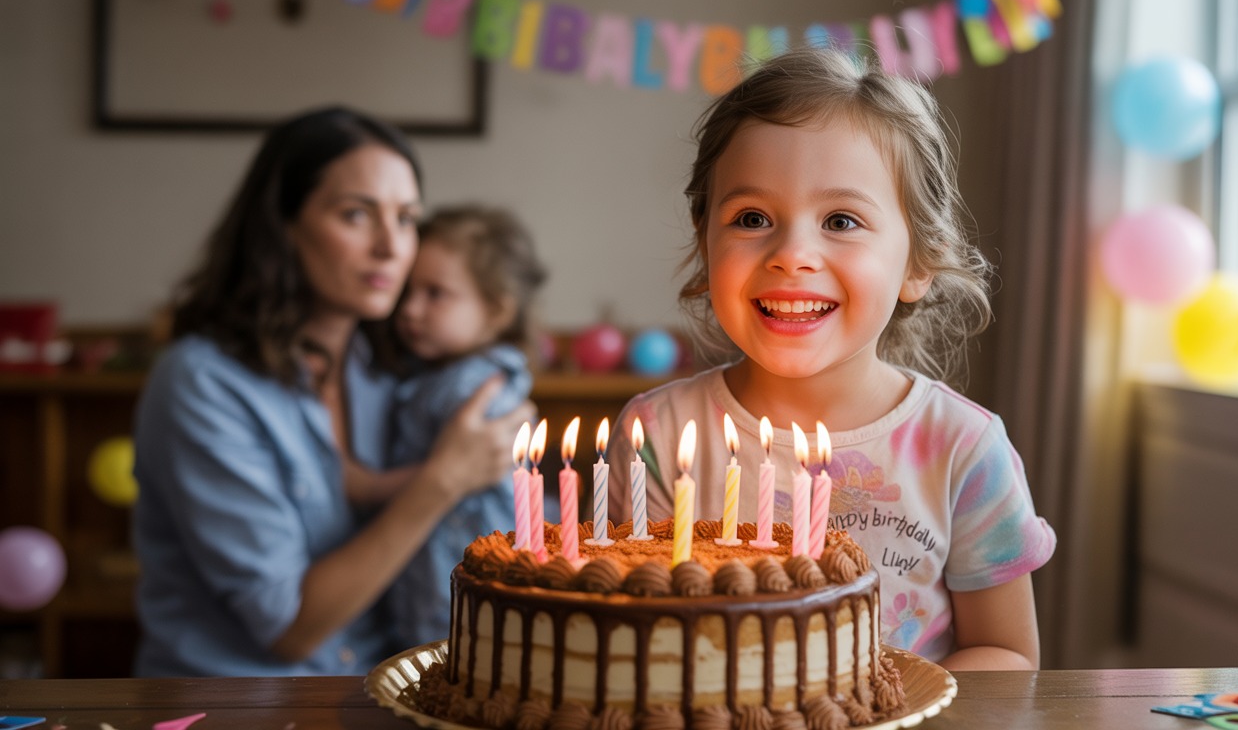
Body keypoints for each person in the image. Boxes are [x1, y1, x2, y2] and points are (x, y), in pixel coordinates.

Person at [605, 48, 1056, 671]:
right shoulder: (656, 435)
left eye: (841, 220)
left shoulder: (964, 450)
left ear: (919, 262)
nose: (793, 254)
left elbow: (1005, 652)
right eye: (752, 217)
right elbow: (631, 638)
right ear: (706, 241)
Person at [131, 107, 532, 677]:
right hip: (235, 707)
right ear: (283, 225)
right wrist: (445, 479)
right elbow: (289, 629)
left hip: (375, 689)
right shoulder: (202, 384)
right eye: (356, 215)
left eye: (407, 218)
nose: (392, 247)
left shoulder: (388, 373)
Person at [344, 204, 547, 647]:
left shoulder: (475, 386)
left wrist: (368, 487)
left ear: (495, 311)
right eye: (408, 291)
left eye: (435, 293)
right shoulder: (438, 372)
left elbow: (461, 469)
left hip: (452, 572)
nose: (411, 310)